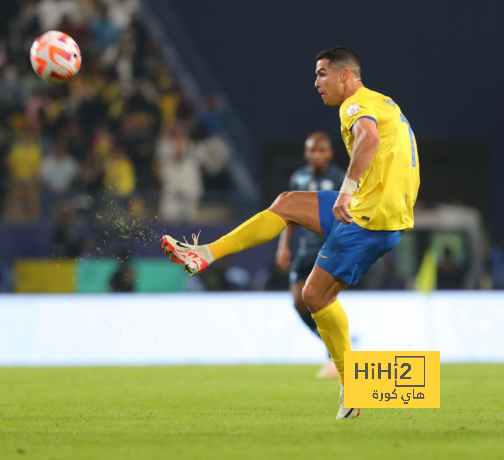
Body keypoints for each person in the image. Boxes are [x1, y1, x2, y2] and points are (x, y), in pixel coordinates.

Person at [160, 47, 420, 420]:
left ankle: (353, 387)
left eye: (322, 74)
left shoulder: (354, 107)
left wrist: (346, 191)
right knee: (285, 202)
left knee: (314, 294)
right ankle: (205, 254)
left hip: (369, 218)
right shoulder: (383, 102)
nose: (316, 83)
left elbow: (370, 139)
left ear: (346, 76)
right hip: (375, 209)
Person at [276, 132, 345, 379]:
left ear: (330, 153)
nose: (317, 155)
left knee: (321, 300)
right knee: (298, 301)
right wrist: (283, 246)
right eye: (312, 151)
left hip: (328, 249)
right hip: (305, 249)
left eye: (321, 150)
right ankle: (332, 347)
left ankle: (335, 356)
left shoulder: (339, 178)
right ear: (306, 153)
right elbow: (290, 214)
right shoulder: (299, 178)